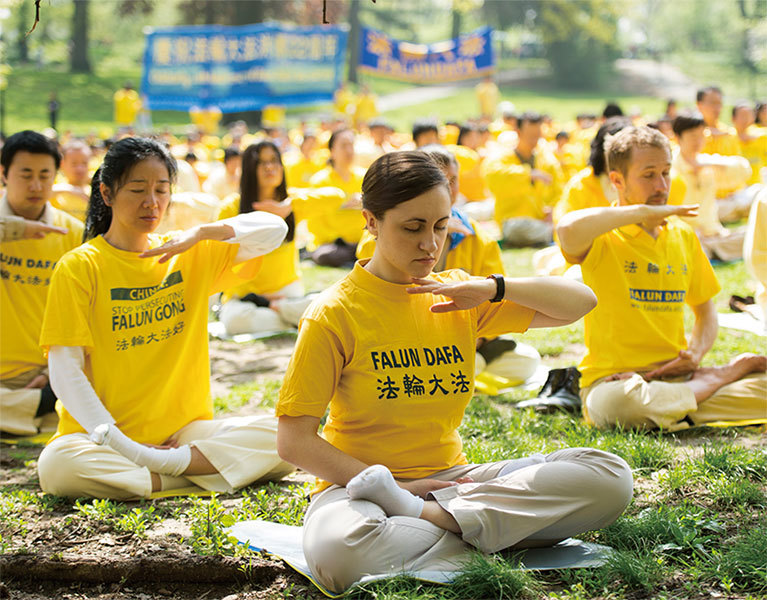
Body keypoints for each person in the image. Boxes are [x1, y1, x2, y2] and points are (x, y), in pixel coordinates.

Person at [275, 151, 633, 593]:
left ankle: (433, 522)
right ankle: (493, 532)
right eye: (412, 227)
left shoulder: (458, 294)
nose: (430, 244)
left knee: (609, 477)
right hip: (361, 494)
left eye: (441, 226)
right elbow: (294, 441)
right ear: (371, 222)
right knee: (342, 552)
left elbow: (580, 302)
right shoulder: (333, 313)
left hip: (456, 486)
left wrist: (492, 287)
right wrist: (397, 486)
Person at [36, 137, 294, 499]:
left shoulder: (186, 251)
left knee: (283, 441)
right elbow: (65, 371)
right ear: (107, 194)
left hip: (184, 434)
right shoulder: (80, 267)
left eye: (161, 190)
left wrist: (203, 232)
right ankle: (190, 474)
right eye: (138, 189)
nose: (151, 202)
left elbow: (274, 229)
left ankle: (165, 474)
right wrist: (129, 448)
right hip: (106, 439)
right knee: (56, 467)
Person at [557, 126, 767, 431]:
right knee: (617, 406)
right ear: (617, 180)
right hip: (616, 384)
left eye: (666, 173)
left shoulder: (683, 235)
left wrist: (695, 354)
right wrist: (640, 211)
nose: (661, 185)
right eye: (649, 175)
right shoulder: (601, 236)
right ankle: (713, 383)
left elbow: (706, 311)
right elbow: (566, 230)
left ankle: (681, 404)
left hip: (677, 376)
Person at [0, 130, 83, 436]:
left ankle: (34, 406)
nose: (36, 186)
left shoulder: (73, 234)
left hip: (48, 375)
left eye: (44, 175)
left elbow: (87, 311)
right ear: (4, 174)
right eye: (25, 175)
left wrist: (54, 372)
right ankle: (37, 409)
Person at [217, 141, 317, 333]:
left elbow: (335, 196)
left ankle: (286, 313)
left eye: (274, 161)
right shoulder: (230, 208)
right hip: (245, 298)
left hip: (287, 295)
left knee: (322, 303)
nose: (269, 167)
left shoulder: (291, 202)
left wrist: (290, 206)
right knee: (234, 321)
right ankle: (296, 320)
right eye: (261, 163)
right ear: (249, 169)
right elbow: (217, 258)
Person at [671, 112, 750, 261]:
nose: (698, 141)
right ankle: (709, 250)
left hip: (714, 232)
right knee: (689, 246)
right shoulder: (670, 168)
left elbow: (744, 170)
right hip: (686, 234)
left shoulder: (705, 163)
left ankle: (711, 250)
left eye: (702, 135)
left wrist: (707, 165)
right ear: (677, 138)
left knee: (753, 234)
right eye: (693, 136)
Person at [482, 111, 563, 247]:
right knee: (517, 228)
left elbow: (559, 190)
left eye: (537, 136)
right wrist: (529, 174)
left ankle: (552, 231)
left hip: (540, 220)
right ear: (518, 133)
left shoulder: (546, 159)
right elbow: (491, 176)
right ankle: (555, 234)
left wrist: (553, 209)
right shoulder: (502, 157)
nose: (534, 141)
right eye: (530, 136)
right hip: (513, 221)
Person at [306, 128, 367, 267]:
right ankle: (358, 259)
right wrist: (343, 205)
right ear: (332, 151)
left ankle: (358, 258)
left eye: (351, 145)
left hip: (360, 240)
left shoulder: (363, 176)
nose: (349, 150)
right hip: (334, 244)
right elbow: (314, 221)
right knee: (325, 255)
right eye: (344, 146)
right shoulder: (320, 181)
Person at [51, 139, 93, 222]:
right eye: (74, 164)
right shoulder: (56, 189)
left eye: (84, 163)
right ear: (62, 164)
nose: (80, 169)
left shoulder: (96, 192)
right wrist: (68, 189)